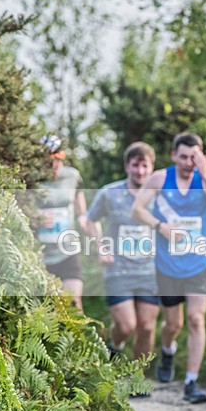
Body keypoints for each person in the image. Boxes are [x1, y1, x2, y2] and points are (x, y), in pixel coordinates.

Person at [132, 133, 206, 404]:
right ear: (174, 156)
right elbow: (137, 209)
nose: (189, 162)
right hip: (168, 265)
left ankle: (191, 382)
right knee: (173, 323)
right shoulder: (160, 179)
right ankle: (167, 348)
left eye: (194, 157)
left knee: (197, 319)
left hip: (199, 263)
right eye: (184, 157)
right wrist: (160, 227)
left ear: (202, 157)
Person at [85, 142, 160, 369]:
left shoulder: (159, 196)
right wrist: (101, 247)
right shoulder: (110, 194)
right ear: (127, 166)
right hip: (118, 270)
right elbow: (90, 221)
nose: (140, 171)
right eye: (136, 165)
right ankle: (115, 347)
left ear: (151, 167)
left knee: (146, 327)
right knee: (127, 326)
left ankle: (137, 376)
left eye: (144, 166)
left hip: (151, 271)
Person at [36, 135, 89, 310]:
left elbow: (79, 203)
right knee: (45, 308)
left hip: (67, 250)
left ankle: (76, 338)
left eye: (57, 161)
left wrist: (83, 218)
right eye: (48, 162)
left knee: (73, 304)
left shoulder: (72, 176)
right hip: (40, 252)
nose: (53, 166)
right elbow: (18, 206)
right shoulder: (31, 179)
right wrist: (36, 217)